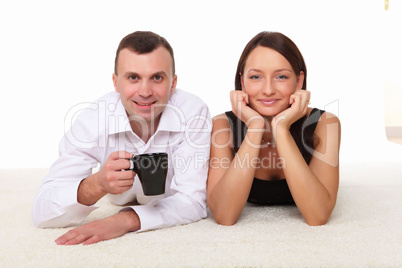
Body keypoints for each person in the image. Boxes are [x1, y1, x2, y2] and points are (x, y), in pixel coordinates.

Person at [32, 31, 212, 245]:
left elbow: (193, 201)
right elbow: (42, 211)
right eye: (133, 77)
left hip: (158, 203)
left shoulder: (193, 111)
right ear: (116, 83)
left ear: (173, 84)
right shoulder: (95, 118)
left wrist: (125, 220)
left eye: (157, 77)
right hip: (116, 198)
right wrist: (96, 184)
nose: (145, 92)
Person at [207, 31, 341, 226]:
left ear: (299, 81)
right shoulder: (222, 126)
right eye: (255, 77)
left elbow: (317, 215)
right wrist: (255, 126)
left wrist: (281, 128)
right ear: (242, 82)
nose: (268, 89)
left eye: (280, 76)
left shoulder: (325, 123)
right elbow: (224, 215)